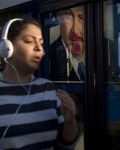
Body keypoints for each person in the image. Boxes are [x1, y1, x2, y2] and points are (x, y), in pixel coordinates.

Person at [0, 18, 79, 150]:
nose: (39, 49)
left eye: (41, 43)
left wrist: (70, 121)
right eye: (29, 41)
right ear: (7, 47)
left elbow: (66, 141)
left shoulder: (49, 89)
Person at [49, 6, 85, 81]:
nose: (75, 31)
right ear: (58, 17)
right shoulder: (46, 58)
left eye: (83, 17)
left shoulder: (109, 49)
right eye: (68, 15)